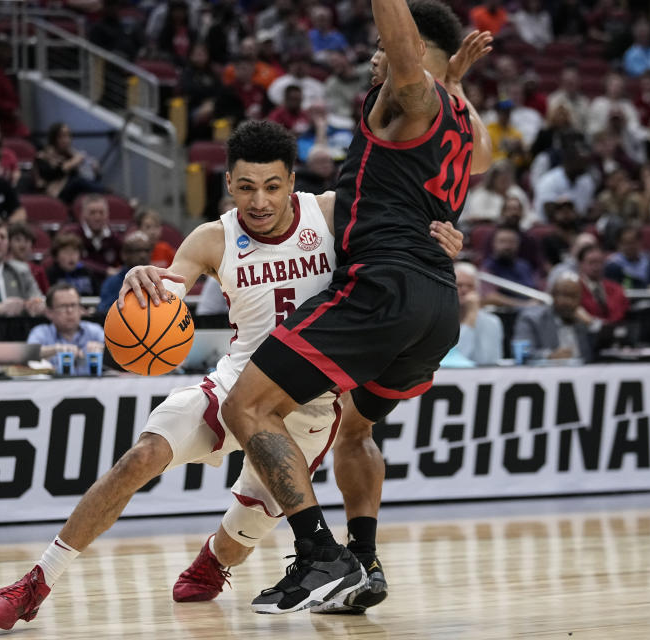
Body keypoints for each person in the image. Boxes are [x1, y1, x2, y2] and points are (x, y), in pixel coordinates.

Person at [0, 120, 463, 629]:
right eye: (247, 187)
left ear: (293, 182)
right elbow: (168, 289)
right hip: (236, 384)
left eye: (273, 186)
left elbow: (410, 235)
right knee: (139, 458)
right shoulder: (212, 238)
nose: (260, 201)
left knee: (239, 537)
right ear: (229, 182)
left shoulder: (331, 214)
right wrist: (142, 281)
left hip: (309, 410)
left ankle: (214, 558)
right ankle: (35, 582)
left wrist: (441, 242)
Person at [220, 1, 492, 614]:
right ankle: (364, 566)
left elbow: (403, 65)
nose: (374, 54)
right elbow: (486, 158)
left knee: (248, 405)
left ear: (415, 53)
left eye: (382, 44)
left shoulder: (411, 97)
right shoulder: (458, 117)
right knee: (356, 427)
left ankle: (318, 554)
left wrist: (422, 64)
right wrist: (455, 82)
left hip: (384, 288)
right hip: (436, 305)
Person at [512, 273, 595, 362]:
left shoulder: (583, 322)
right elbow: (522, 352)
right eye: (564, 295)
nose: (568, 302)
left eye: (573, 296)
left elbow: (601, 349)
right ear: (553, 295)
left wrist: (592, 325)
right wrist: (550, 355)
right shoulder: (531, 319)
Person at [27, 282, 104, 375]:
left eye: (73, 305)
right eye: (63, 306)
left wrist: (102, 349)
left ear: (81, 309)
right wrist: (56, 349)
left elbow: (116, 353)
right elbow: (27, 355)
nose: (70, 311)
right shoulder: (41, 332)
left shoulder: (94, 330)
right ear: (49, 312)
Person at [440, 261, 502, 366]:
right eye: (459, 285)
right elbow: (454, 362)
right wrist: (469, 321)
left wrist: (472, 316)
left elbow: (488, 360)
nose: (464, 290)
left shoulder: (492, 322)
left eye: (470, 286)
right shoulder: (438, 320)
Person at [34, 123, 106, 203]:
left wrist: (95, 171)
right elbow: (50, 175)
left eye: (68, 136)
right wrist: (72, 163)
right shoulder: (44, 156)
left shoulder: (71, 154)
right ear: (54, 138)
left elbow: (87, 178)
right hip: (54, 193)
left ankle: (105, 192)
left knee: (83, 183)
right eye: (62, 136)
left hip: (74, 195)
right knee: (78, 182)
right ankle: (105, 192)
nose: (67, 140)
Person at [0, 40, 30, 138]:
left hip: (9, 121)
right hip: (3, 123)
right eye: (7, 51)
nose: (10, 55)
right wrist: (11, 108)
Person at [95, 231, 153, 313]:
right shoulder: (112, 283)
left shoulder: (159, 279)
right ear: (124, 254)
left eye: (146, 250)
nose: (143, 255)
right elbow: (105, 312)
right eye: (138, 250)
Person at [65, 194, 122, 275]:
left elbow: (124, 259)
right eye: (92, 213)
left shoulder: (114, 237)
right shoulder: (72, 235)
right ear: (83, 214)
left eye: (101, 213)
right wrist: (105, 271)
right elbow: (74, 261)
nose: (97, 217)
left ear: (107, 214)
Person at [576, 245, 629, 325]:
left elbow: (622, 311)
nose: (596, 267)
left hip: (614, 331)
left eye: (599, 262)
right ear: (581, 264)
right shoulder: (575, 289)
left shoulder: (616, 288)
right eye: (591, 262)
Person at [7, 223, 50, 294]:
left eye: (26, 240)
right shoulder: (2, 268)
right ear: (9, 243)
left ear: (32, 245)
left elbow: (46, 295)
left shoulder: (38, 271)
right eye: (18, 240)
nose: (22, 245)